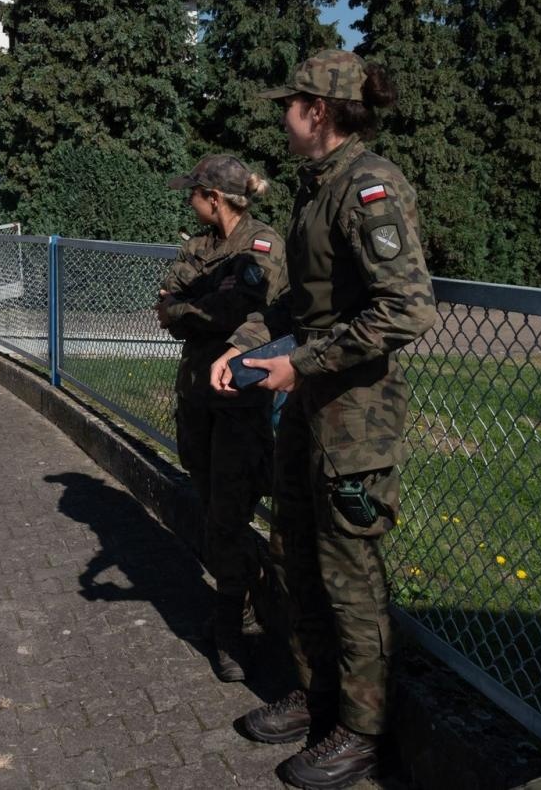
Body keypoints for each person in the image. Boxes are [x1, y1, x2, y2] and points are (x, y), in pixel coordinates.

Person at [209, 50, 436, 790]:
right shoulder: (317, 188)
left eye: (291, 104)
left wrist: (298, 366)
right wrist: (244, 350)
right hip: (307, 408)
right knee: (295, 556)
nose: (282, 115)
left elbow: (406, 309)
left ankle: (362, 732)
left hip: (354, 422)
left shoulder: (371, 187)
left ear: (320, 111)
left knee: (350, 577)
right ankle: (318, 699)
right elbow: (295, 306)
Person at [156, 154, 286, 684]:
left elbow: (255, 313)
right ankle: (242, 593)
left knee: (231, 505)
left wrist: (198, 309)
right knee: (209, 497)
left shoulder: (262, 243)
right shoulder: (198, 246)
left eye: (193, 191)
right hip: (195, 389)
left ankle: (233, 621)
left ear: (214, 197)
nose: (187, 198)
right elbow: (167, 307)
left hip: (238, 389)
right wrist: (200, 308)